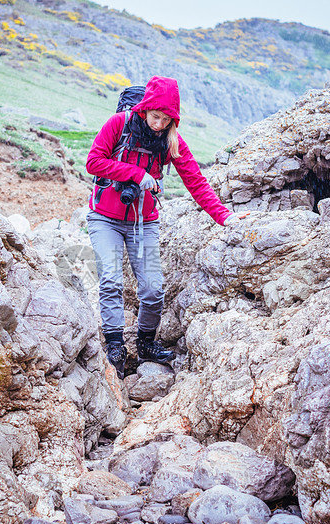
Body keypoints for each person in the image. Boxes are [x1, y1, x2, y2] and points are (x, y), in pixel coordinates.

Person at [86, 76, 249, 379]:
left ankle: (146, 343)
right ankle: (115, 346)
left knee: (152, 290)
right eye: (155, 116)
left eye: (166, 119)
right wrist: (135, 174)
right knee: (110, 281)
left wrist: (224, 216)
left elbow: (195, 181)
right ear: (145, 109)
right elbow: (94, 162)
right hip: (104, 218)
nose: (159, 124)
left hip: (142, 222)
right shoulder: (118, 124)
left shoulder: (171, 140)